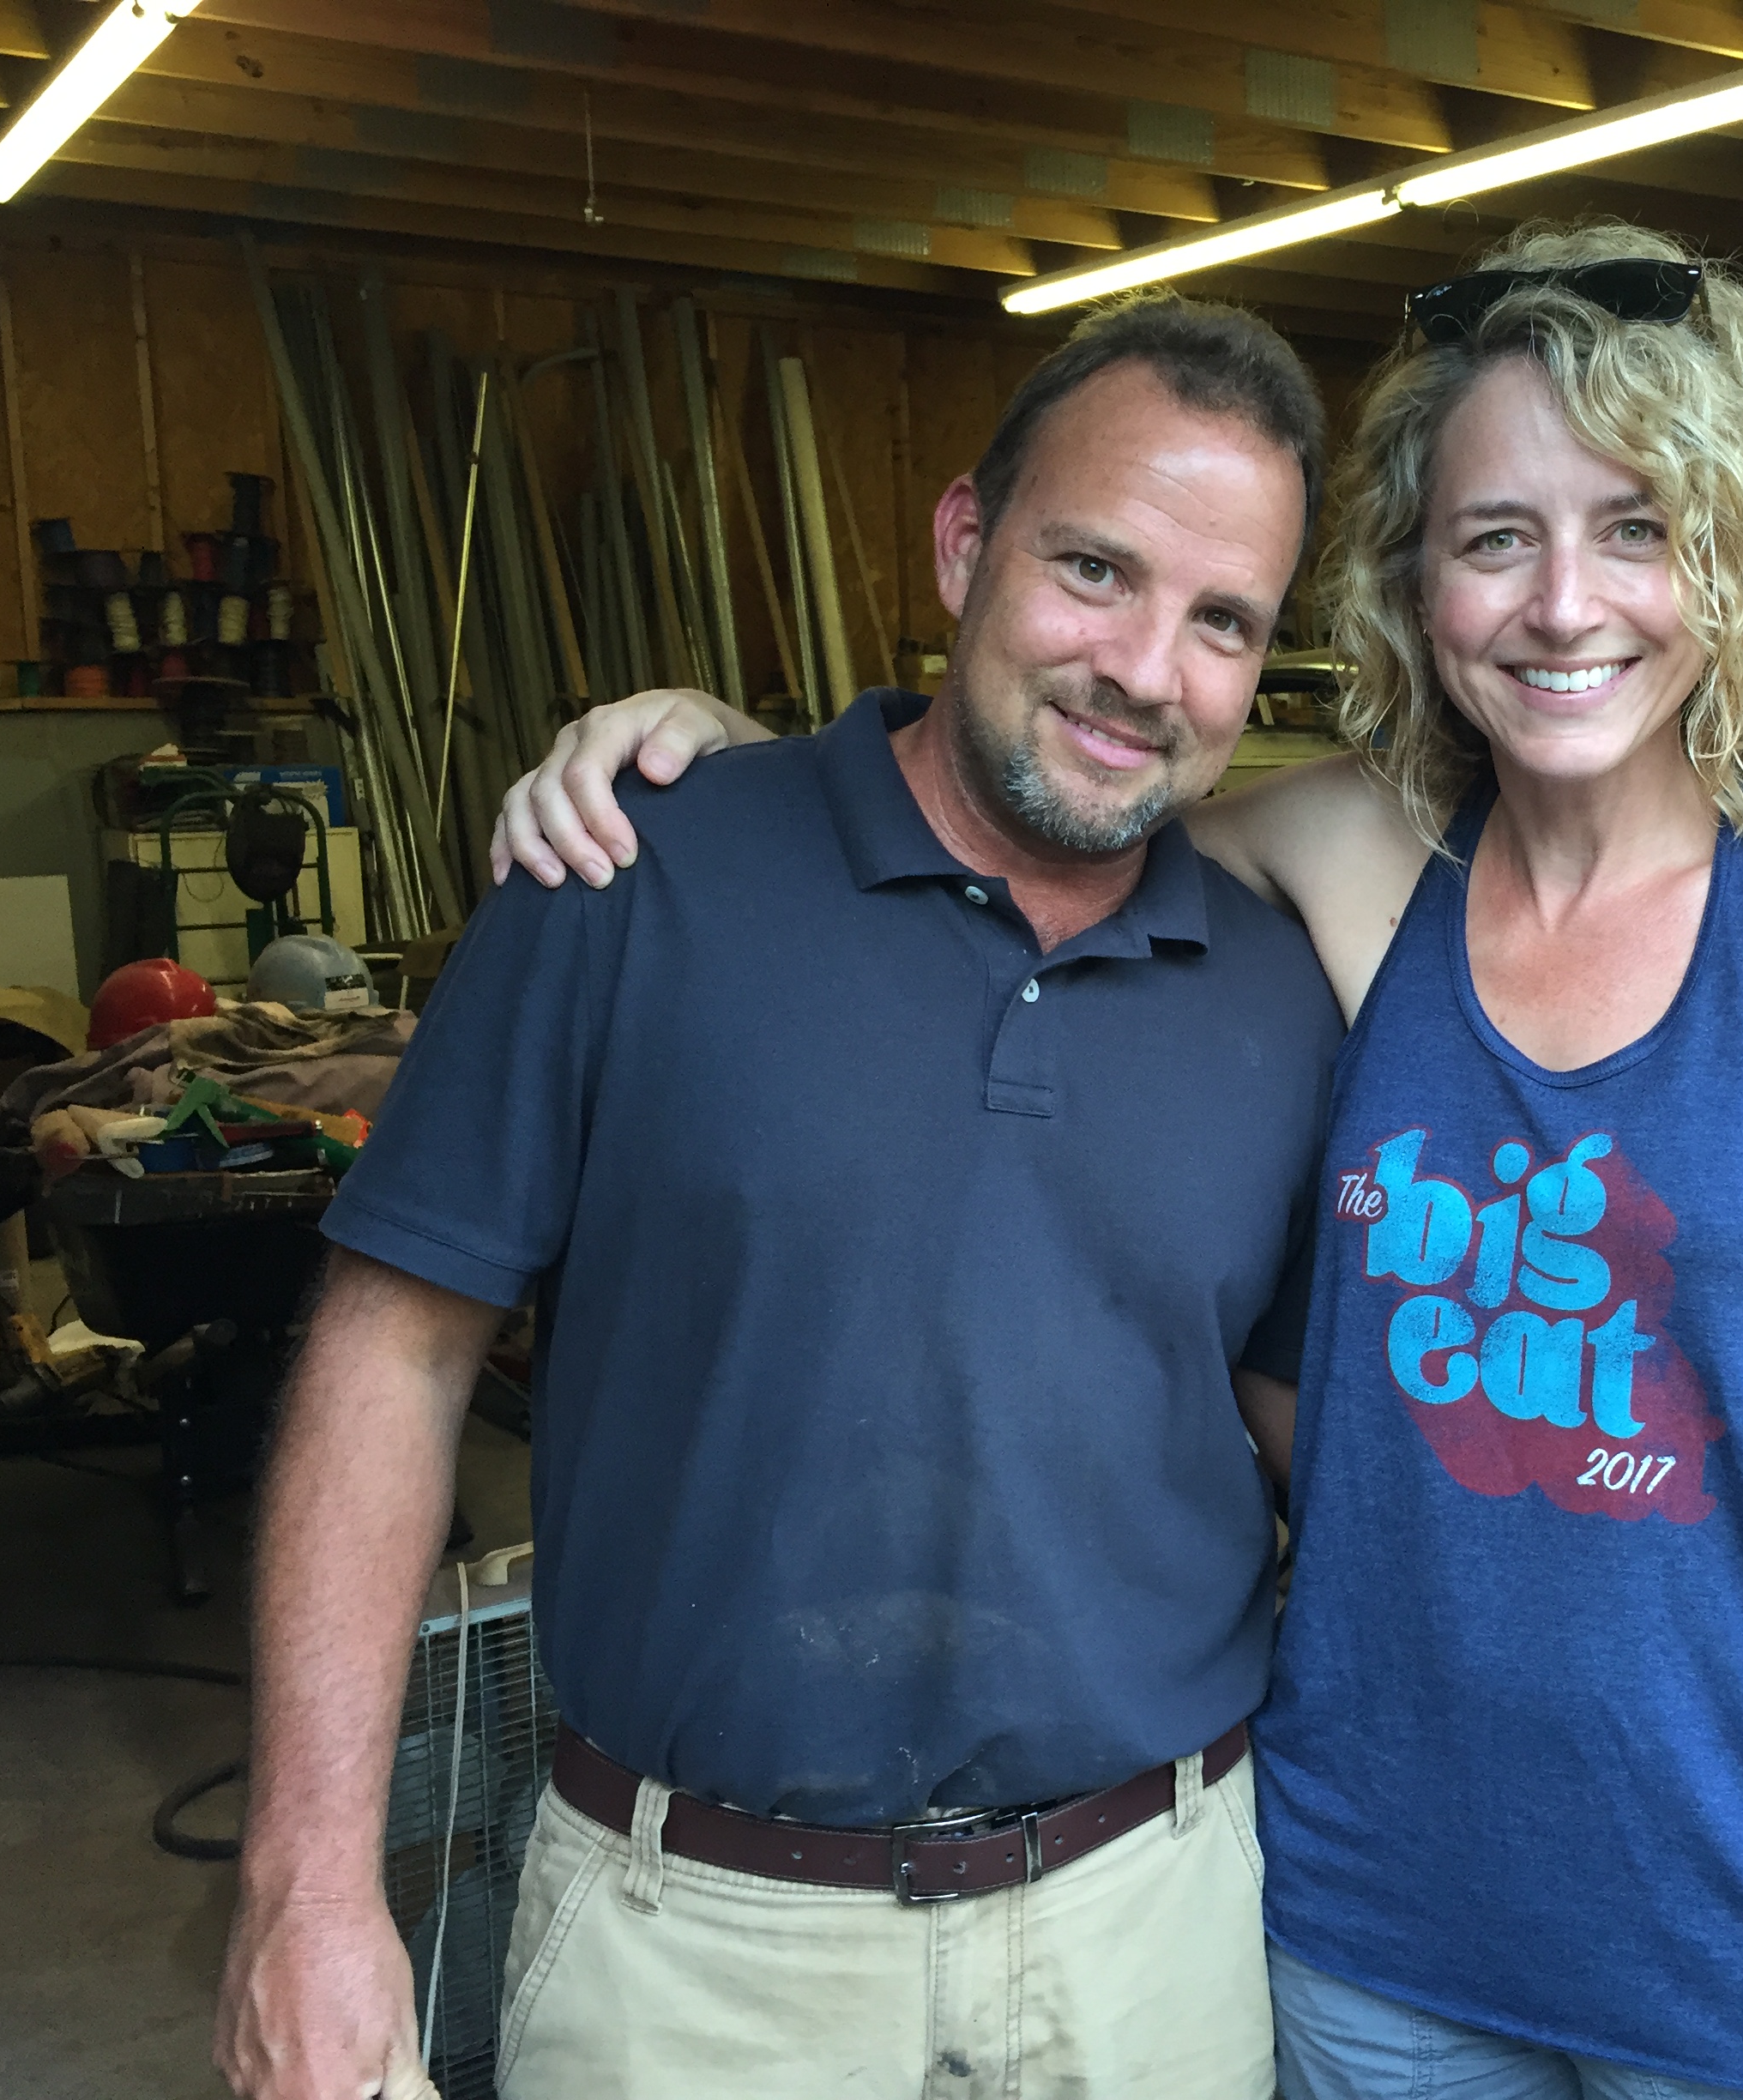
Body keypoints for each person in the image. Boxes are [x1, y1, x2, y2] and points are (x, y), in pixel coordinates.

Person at [500, 221, 1743, 2100]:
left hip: (1742, 1939)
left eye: (1636, 528)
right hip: (1364, 1925)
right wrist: (737, 770)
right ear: (1414, 581)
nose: (1564, 605)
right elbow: (1024, 816)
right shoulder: (1343, 859)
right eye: (1496, 538)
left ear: (1733, 551)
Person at [215, 297, 1349, 2100]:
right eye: (1093, 570)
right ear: (964, 543)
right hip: (696, 1956)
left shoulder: (1281, 1000)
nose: (1147, 667)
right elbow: (394, 1357)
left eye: (1225, 621)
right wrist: (306, 1887)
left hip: (1152, 1939)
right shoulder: (631, 874)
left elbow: (1312, 1424)